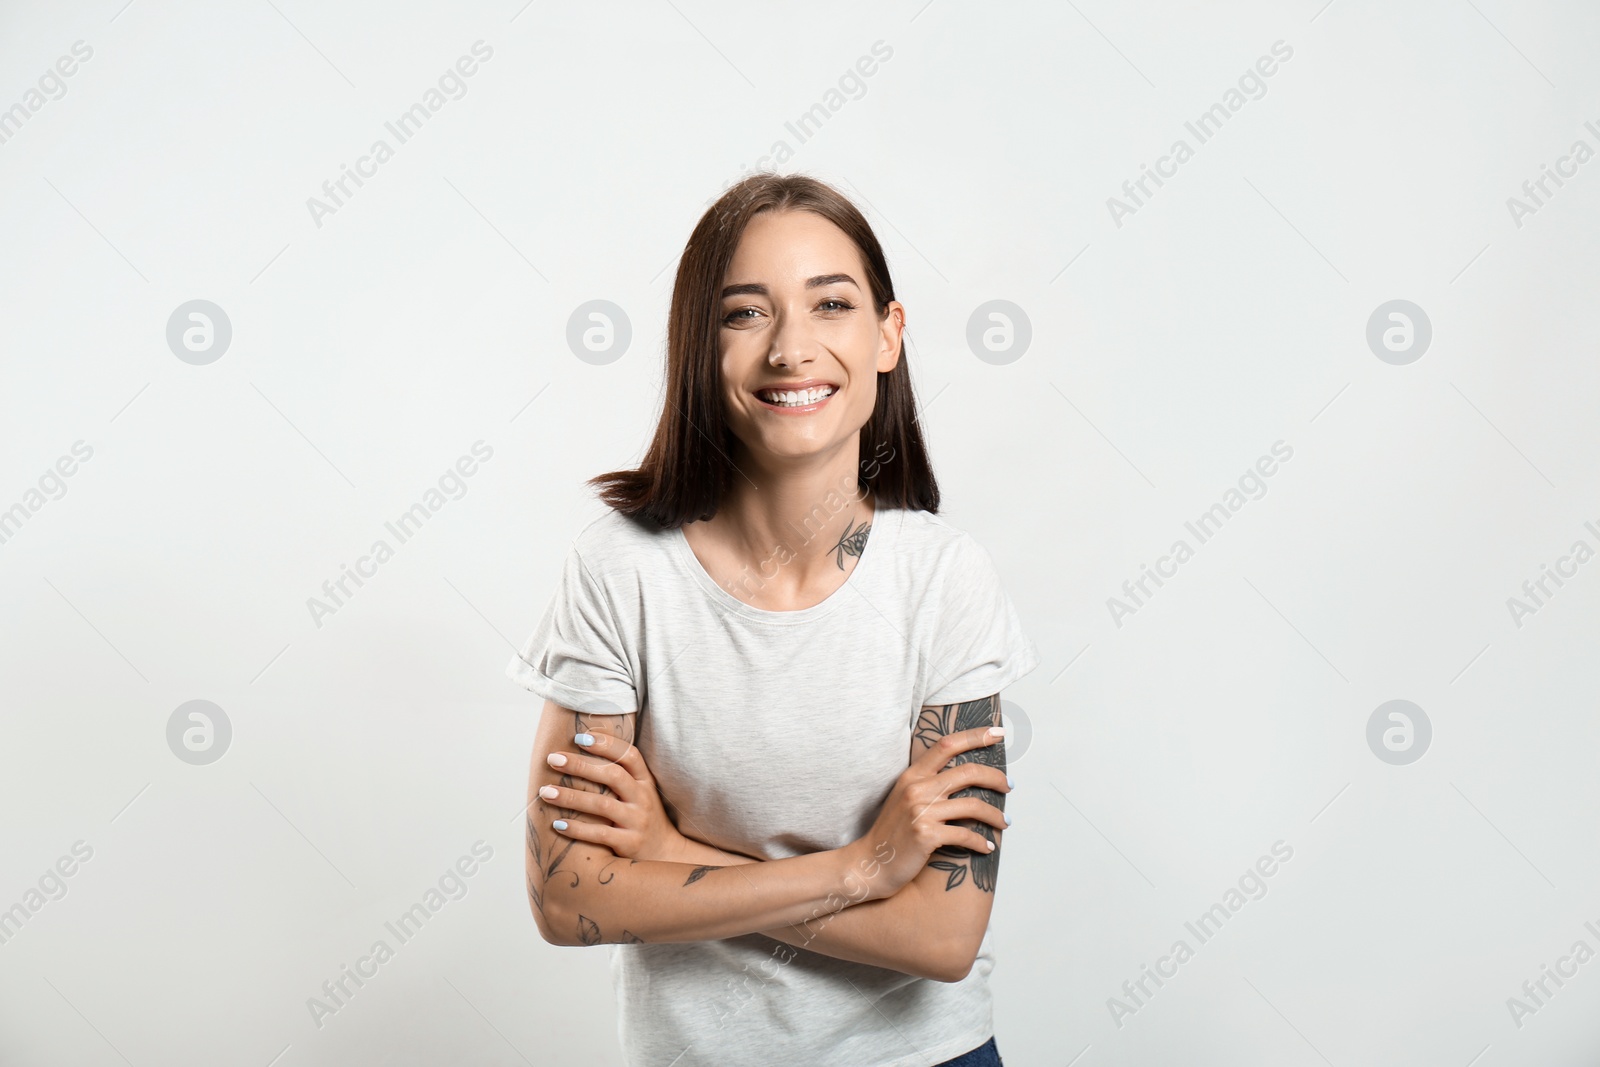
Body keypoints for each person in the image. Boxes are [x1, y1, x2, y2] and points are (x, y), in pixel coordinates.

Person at [507, 173, 1039, 1066]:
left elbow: (943, 936)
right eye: (745, 313)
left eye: (832, 304)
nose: (793, 348)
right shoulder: (618, 571)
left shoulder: (945, 579)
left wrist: (669, 853)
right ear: (697, 346)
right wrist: (862, 867)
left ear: (886, 336)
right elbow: (570, 901)